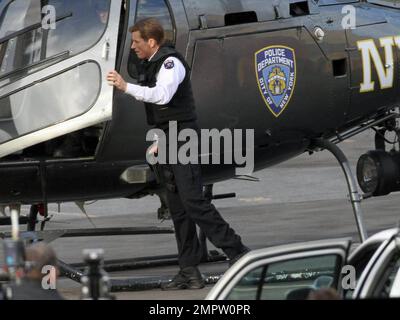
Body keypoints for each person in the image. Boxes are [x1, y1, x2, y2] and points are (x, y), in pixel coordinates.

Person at [107, 18, 249, 290]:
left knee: (194, 201)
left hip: (182, 137)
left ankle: (237, 251)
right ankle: (189, 270)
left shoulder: (170, 63)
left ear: (151, 42)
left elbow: (162, 96)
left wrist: (125, 87)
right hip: (167, 136)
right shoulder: (152, 62)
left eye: (136, 42)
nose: (133, 47)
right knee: (178, 207)